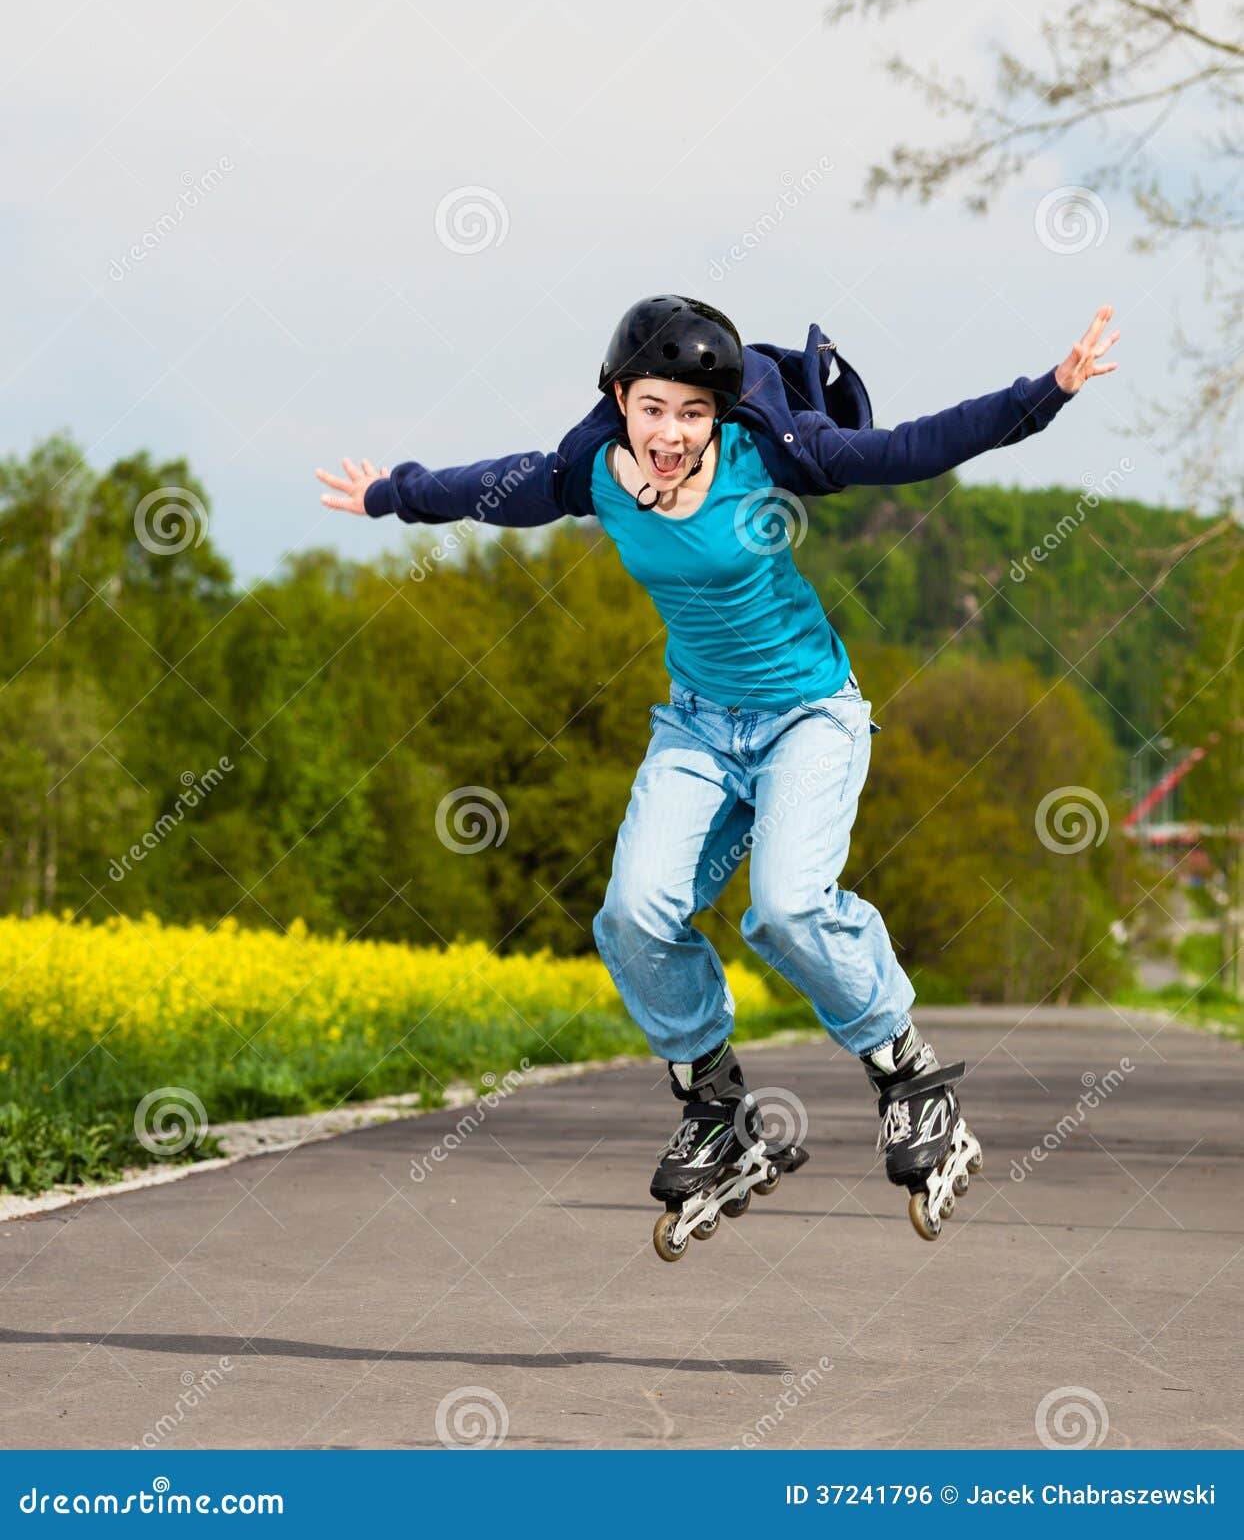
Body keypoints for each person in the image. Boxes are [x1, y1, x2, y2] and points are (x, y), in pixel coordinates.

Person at [318, 294, 1119, 1254]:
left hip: (809, 719)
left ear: (717, 415)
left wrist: (1050, 392)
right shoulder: (589, 472)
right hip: (695, 730)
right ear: (620, 397)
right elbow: (489, 487)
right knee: (632, 912)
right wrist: (389, 493)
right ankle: (716, 1106)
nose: (670, 434)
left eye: (692, 414)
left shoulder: (774, 454)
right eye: (654, 407)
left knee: (784, 907)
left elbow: (914, 448)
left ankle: (908, 1078)